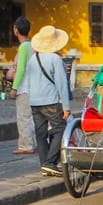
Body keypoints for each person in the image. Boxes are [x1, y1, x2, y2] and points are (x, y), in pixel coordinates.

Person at [23, 25, 71, 177]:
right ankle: (50, 163)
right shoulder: (55, 59)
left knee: (40, 133)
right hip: (51, 101)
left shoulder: (33, 59)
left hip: (35, 102)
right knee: (60, 130)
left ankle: (44, 164)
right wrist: (66, 106)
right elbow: (62, 84)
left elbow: (28, 81)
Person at [8, 16, 36, 155]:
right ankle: (32, 142)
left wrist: (15, 87)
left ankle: (26, 145)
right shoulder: (32, 45)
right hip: (33, 86)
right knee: (31, 117)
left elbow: (21, 69)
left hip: (24, 87)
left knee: (23, 117)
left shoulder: (24, 47)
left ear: (16, 30)